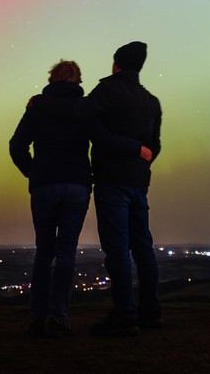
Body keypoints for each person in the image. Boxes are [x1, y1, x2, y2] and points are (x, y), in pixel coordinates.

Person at [9, 59, 148, 338]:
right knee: (66, 254)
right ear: (77, 80)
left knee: (44, 252)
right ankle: (59, 319)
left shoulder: (36, 109)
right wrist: (136, 147)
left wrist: (33, 171)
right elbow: (105, 139)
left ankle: (37, 319)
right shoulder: (84, 110)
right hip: (76, 185)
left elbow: (16, 146)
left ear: (52, 78)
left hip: (44, 186)